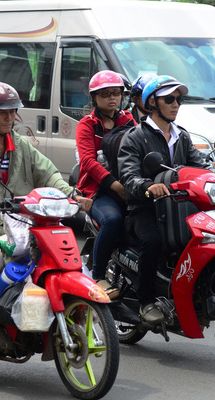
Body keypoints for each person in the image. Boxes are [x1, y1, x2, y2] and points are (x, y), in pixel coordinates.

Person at [0, 82, 92, 354]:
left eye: (12, 112)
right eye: (2, 112)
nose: (9, 118)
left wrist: (71, 194)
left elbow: (48, 173)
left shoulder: (21, 145)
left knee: (54, 258)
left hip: (21, 223)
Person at [118, 75, 215, 325]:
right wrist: (149, 186)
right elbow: (128, 177)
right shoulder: (135, 137)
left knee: (210, 235)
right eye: (169, 99)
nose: (176, 104)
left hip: (178, 207)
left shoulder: (183, 137)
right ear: (152, 103)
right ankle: (145, 301)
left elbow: (201, 167)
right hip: (145, 208)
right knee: (152, 240)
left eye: (179, 99)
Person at [75, 70, 135, 299]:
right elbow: (88, 161)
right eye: (105, 94)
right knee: (112, 220)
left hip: (129, 185)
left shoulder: (128, 120)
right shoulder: (87, 125)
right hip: (99, 191)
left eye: (116, 93)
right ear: (94, 98)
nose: (112, 98)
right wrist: (114, 185)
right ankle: (98, 275)